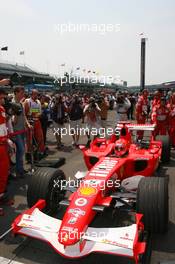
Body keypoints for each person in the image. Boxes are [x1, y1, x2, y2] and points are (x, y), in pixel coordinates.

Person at [12, 86, 30, 178]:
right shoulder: (12, 103)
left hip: (22, 130)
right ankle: (18, 170)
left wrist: (27, 124)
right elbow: (12, 121)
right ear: (16, 93)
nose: (23, 94)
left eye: (23, 93)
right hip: (16, 132)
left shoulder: (21, 103)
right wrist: (15, 114)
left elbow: (24, 116)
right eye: (21, 93)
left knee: (20, 151)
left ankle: (20, 169)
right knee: (22, 150)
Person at [24, 89, 45, 158]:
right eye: (35, 94)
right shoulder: (27, 101)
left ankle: (40, 151)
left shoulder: (38, 101)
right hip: (30, 121)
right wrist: (35, 112)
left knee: (40, 137)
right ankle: (29, 153)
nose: (37, 95)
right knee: (29, 138)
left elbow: (40, 112)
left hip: (37, 121)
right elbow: (26, 112)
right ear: (31, 94)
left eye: (37, 94)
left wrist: (34, 112)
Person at [0, 88, 10, 209]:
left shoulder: (2, 109)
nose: (4, 99)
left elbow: (3, 127)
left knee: (4, 170)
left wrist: (7, 139)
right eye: (2, 97)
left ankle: (1, 195)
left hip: (3, 144)